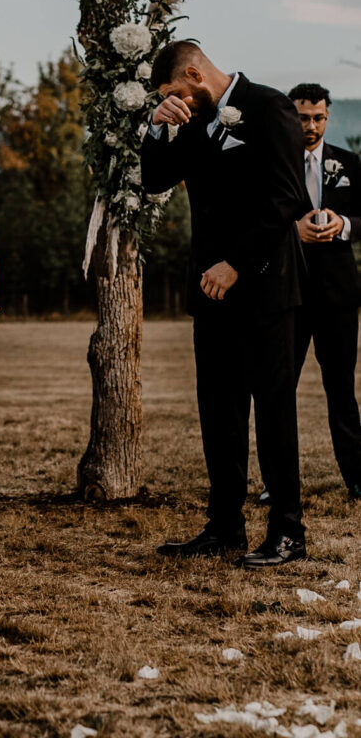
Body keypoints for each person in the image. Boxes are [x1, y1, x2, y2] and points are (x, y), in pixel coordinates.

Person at [141, 40, 310, 568]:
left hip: (265, 288)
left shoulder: (268, 106)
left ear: (195, 73)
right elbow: (153, 180)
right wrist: (156, 125)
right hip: (210, 292)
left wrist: (236, 263)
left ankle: (287, 531)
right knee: (220, 412)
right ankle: (224, 527)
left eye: (175, 92)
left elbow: (288, 198)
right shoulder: (193, 119)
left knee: (274, 413)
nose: (178, 101)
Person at [259, 83, 361, 504]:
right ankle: (276, 483)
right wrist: (291, 232)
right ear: (289, 117)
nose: (312, 125)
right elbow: (256, 220)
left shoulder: (349, 162)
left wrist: (345, 224)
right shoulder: (271, 162)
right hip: (288, 294)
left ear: (327, 117)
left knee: (341, 389)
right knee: (278, 390)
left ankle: (357, 476)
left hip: (338, 296)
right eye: (303, 118)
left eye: (319, 117)